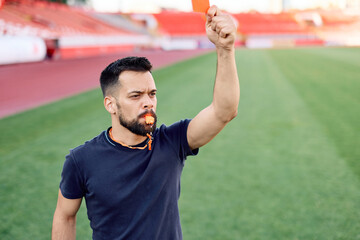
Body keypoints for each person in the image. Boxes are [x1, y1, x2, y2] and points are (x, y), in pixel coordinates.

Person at [52, 5, 240, 240]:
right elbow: (65, 215)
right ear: (110, 104)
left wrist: (225, 49)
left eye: (152, 93)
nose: (148, 102)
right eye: (135, 95)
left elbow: (225, 111)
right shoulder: (81, 160)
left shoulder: (172, 142)